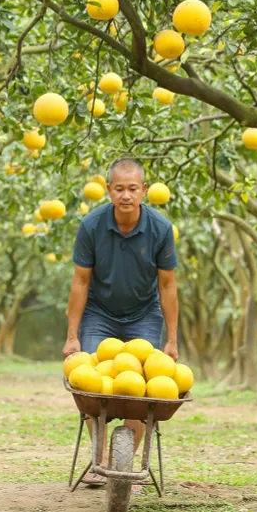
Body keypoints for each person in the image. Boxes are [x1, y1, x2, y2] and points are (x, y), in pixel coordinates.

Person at [62, 157, 179, 486]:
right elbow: (80, 282)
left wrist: (171, 340)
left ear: (144, 190)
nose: (126, 195)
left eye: (132, 188)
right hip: (100, 312)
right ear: (108, 191)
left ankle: (125, 461)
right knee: (88, 383)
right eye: (119, 189)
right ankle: (100, 458)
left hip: (144, 313)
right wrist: (73, 336)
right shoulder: (92, 226)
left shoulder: (160, 229)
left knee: (145, 389)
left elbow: (167, 285)